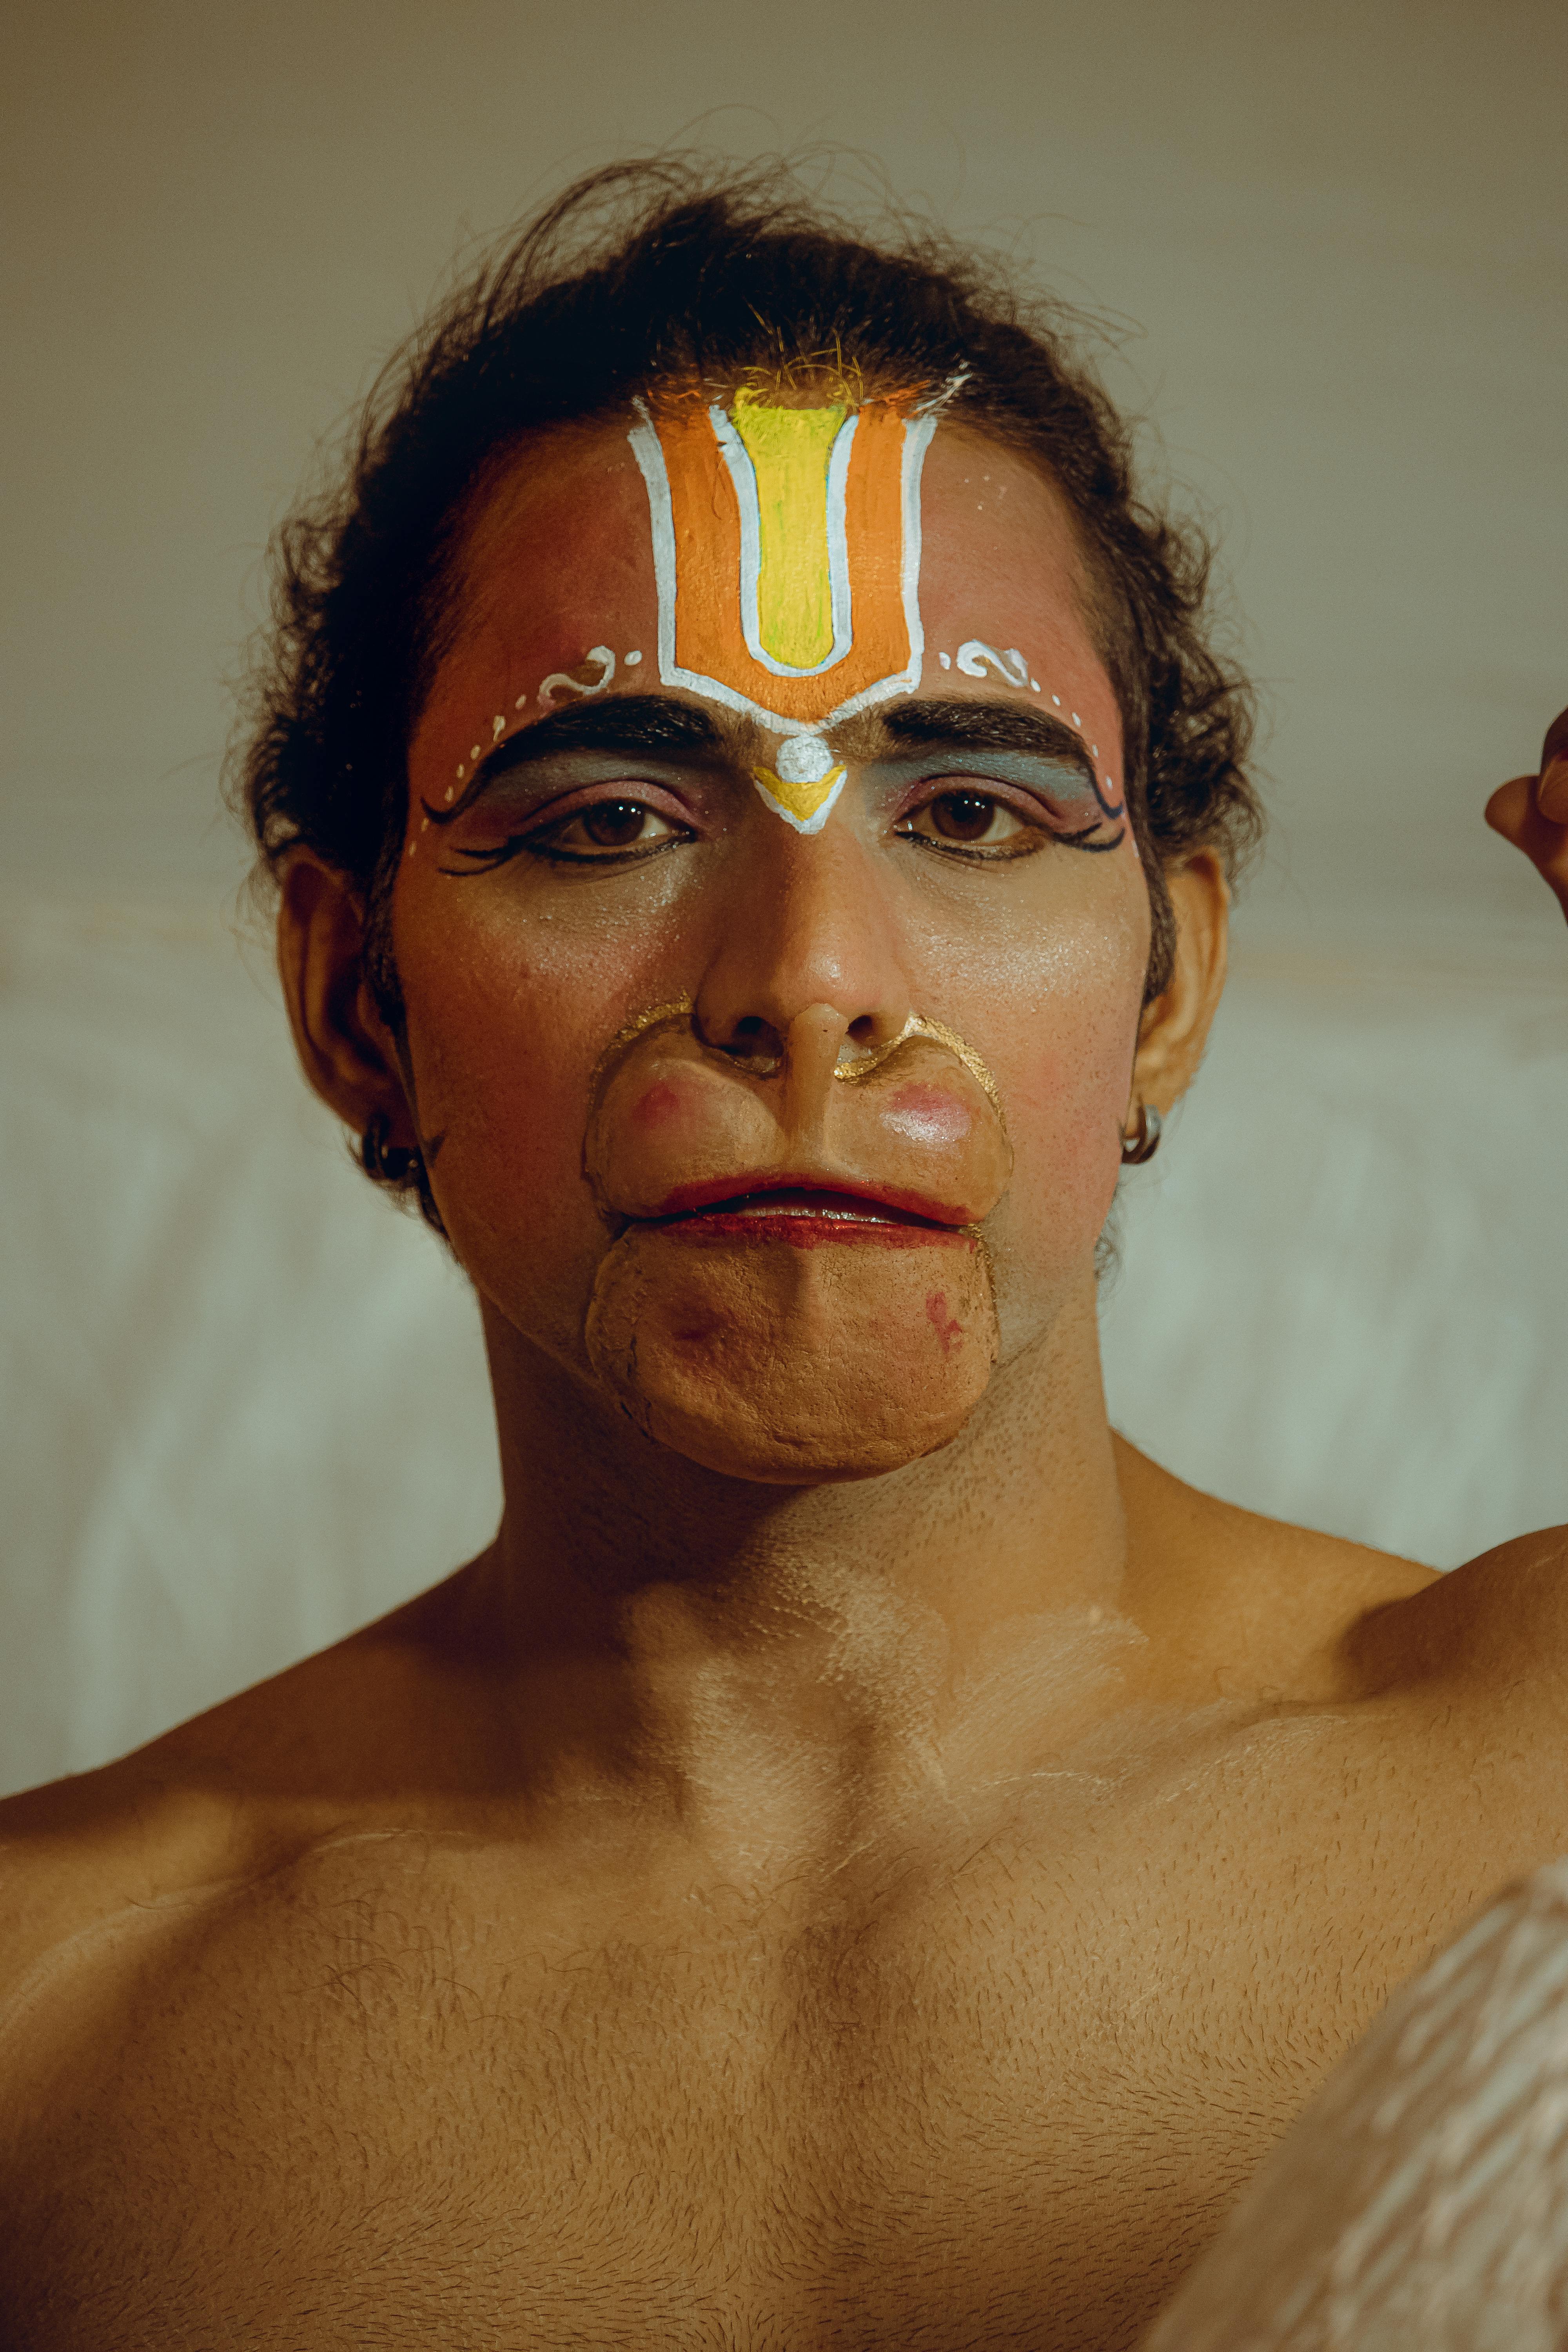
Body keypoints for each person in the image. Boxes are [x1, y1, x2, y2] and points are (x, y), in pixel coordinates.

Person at [0, 162, 1563, 2352]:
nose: (812, 982)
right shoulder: (43, 2034)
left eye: (973, 815)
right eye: (609, 822)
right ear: (358, 1000)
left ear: (1171, 982)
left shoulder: (1548, 1781)